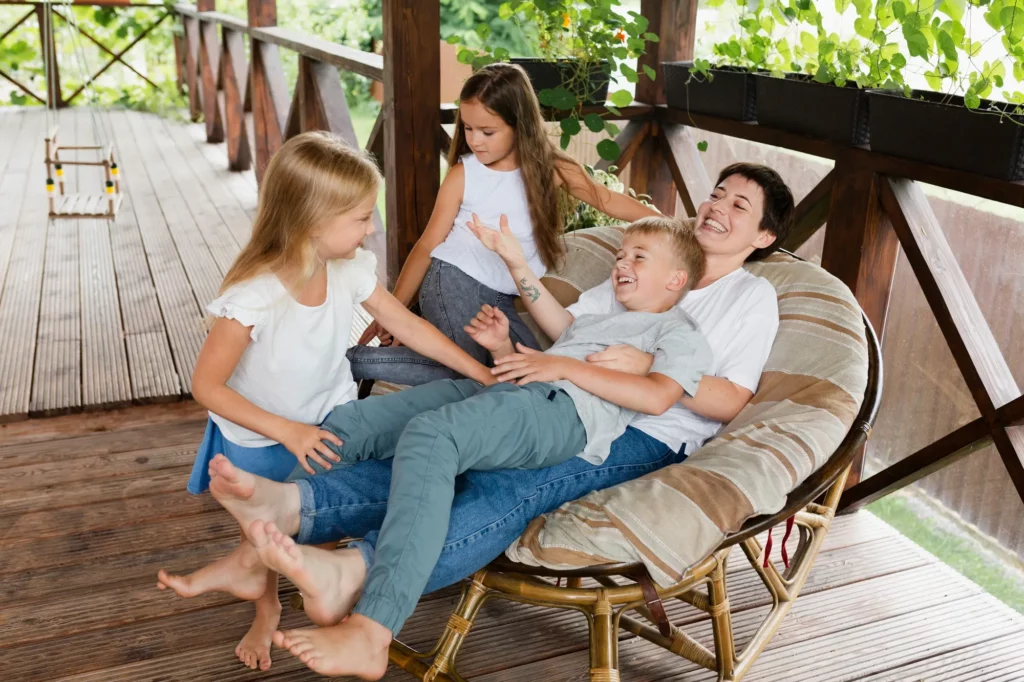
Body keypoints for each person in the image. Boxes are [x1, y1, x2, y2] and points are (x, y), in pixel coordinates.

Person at [161, 162, 794, 676]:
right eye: (718, 193)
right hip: (544, 389)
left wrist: (629, 366)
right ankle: (297, 512)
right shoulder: (636, 273)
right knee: (400, 434)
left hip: (629, 428)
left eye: (741, 206)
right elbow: (569, 335)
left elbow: (716, 397)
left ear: (763, 237)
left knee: (487, 480)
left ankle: (358, 577)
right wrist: (511, 326)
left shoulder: (744, 300)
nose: (719, 206)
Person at [154, 131, 495, 672]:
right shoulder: (255, 296)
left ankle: (320, 593)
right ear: (313, 220)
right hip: (261, 433)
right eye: (361, 218)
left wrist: (480, 370)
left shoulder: (349, 269)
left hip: (329, 419)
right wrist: (286, 431)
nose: (371, 228)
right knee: (262, 530)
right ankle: (265, 611)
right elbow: (207, 387)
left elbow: (404, 323)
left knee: (316, 513)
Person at [348, 62, 659, 385]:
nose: (474, 141)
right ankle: (356, 362)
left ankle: (365, 363)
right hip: (453, 280)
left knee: (528, 374)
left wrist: (665, 221)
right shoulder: (463, 175)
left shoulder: (552, 169)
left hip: (501, 297)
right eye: (467, 128)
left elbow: (606, 199)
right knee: (473, 374)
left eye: (487, 131)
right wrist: (394, 312)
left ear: (519, 125)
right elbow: (428, 245)